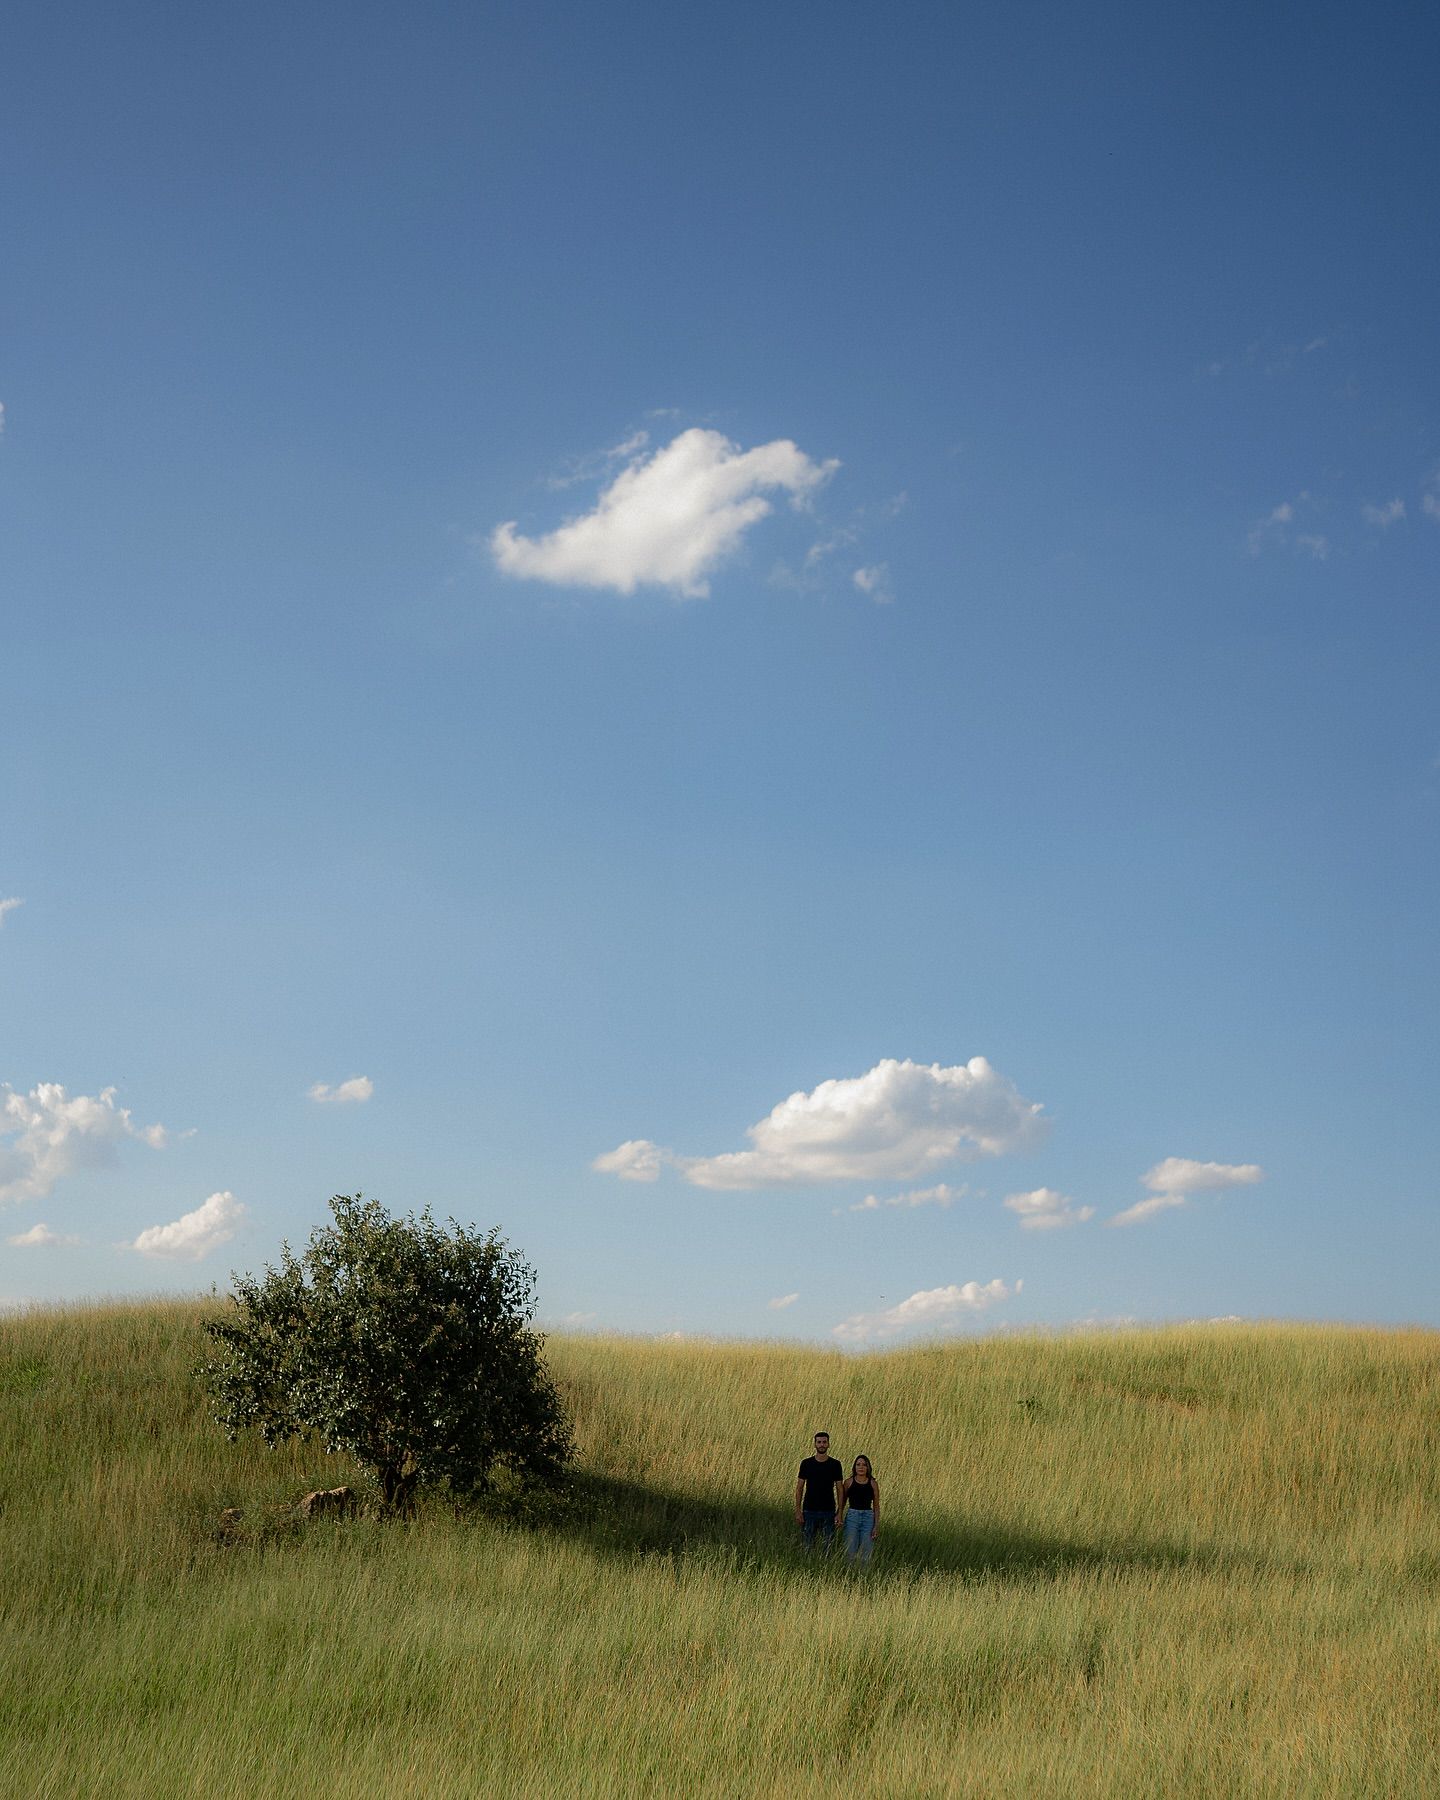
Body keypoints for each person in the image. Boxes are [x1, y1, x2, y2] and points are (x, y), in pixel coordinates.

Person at [795, 1431, 844, 1549]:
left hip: (828, 1511)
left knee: (828, 1547)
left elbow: (840, 1489)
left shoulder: (835, 1464)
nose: (822, 1444)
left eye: (824, 1442)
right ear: (815, 1444)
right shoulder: (806, 1463)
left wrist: (840, 1512)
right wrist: (798, 1510)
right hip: (809, 1510)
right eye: (819, 1442)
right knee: (807, 1546)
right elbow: (799, 1488)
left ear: (828, 1444)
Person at [838, 1454, 879, 1565]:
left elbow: (876, 1506)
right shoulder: (848, 1482)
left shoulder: (873, 1484)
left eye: (864, 1465)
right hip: (853, 1516)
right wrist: (839, 1515)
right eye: (858, 1464)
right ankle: (849, 1574)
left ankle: (864, 1576)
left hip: (868, 1517)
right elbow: (842, 1501)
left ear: (868, 1467)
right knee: (850, 1548)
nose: (861, 1467)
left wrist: (876, 1525)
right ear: (854, 1467)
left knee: (866, 1549)